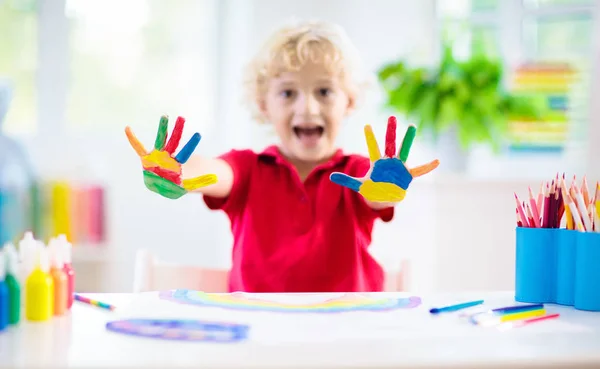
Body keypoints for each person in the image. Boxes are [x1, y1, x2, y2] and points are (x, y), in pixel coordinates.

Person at [125, 20, 438, 293]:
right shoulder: (248, 169)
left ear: (350, 101)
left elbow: (376, 195)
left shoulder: (357, 172)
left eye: (324, 92)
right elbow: (216, 173)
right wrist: (182, 171)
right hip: (257, 337)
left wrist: (385, 187)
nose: (307, 108)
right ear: (264, 105)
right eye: (288, 93)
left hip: (347, 333)